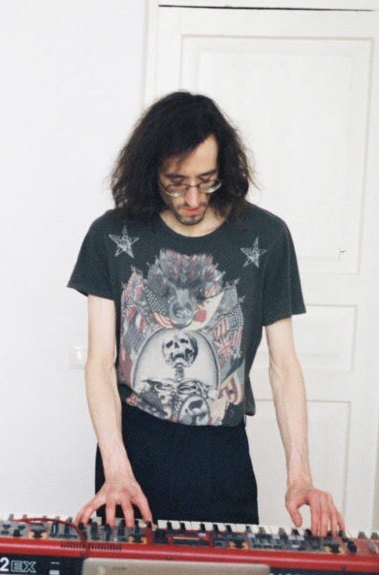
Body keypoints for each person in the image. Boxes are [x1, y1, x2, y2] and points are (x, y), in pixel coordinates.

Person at [67, 91, 344, 537]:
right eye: (176, 183)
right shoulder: (110, 235)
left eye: (207, 181)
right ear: (150, 172)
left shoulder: (267, 237)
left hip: (221, 455)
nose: (193, 198)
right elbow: (101, 362)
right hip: (133, 451)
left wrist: (300, 476)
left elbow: (284, 366)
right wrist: (116, 469)